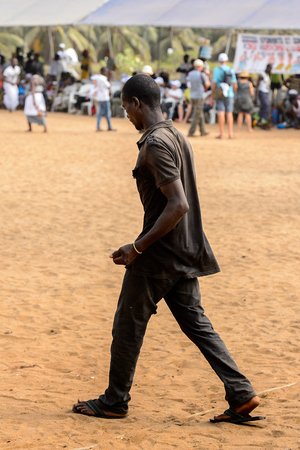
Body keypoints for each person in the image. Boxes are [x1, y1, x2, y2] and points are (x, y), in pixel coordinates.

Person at [73, 74, 265, 425]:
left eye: (125, 108)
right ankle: (240, 393)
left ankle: (115, 400)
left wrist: (137, 247)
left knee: (128, 323)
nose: (126, 116)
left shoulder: (157, 144)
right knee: (197, 323)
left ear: (137, 104)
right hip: (186, 249)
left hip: (160, 253)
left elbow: (178, 205)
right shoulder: (175, 135)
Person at [211, 53, 237, 139]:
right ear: (227, 60)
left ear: (219, 61)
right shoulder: (231, 70)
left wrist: (212, 93)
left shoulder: (217, 69)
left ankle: (221, 134)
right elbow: (235, 84)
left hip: (219, 93)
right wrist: (232, 92)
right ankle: (231, 133)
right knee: (229, 113)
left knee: (221, 112)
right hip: (229, 94)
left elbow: (214, 83)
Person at [187, 59, 210, 137]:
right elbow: (207, 85)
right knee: (197, 114)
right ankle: (191, 132)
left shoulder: (190, 73)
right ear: (200, 67)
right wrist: (207, 76)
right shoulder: (201, 74)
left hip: (192, 95)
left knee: (199, 113)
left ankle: (203, 130)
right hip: (199, 96)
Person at [92, 67, 116, 132]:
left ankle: (98, 126)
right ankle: (109, 126)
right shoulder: (103, 78)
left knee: (100, 112)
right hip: (105, 97)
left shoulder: (98, 78)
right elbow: (109, 85)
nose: (106, 73)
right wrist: (111, 78)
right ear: (103, 72)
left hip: (100, 97)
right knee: (107, 112)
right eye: (106, 71)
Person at [24, 68, 47, 132]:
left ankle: (30, 128)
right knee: (40, 111)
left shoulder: (33, 79)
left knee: (28, 112)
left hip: (33, 96)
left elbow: (33, 89)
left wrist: (34, 100)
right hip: (40, 95)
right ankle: (45, 128)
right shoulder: (41, 79)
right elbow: (44, 87)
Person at [255, 64, 272, 129]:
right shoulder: (262, 75)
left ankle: (254, 119)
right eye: (270, 69)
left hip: (266, 93)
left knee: (262, 108)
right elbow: (257, 86)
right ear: (267, 68)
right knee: (267, 107)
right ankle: (264, 124)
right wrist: (255, 97)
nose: (270, 71)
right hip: (262, 93)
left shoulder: (267, 75)